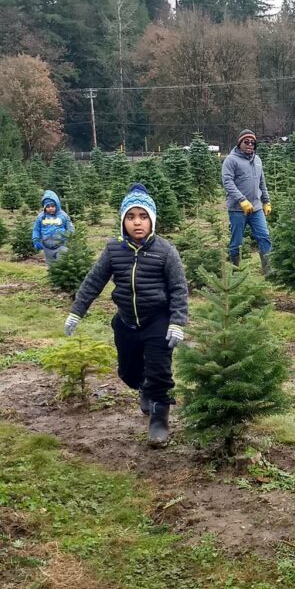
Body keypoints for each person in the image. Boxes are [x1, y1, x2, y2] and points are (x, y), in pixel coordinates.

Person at [64, 183, 189, 448]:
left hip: (158, 321)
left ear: (152, 220)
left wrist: (177, 322)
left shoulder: (165, 251)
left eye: (143, 216)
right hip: (125, 322)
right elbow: (93, 281)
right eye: (131, 217)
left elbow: (179, 288)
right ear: (123, 222)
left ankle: (159, 418)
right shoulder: (113, 250)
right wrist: (77, 311)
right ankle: (144, 387)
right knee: (128, 373)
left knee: (159, 372)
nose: (137, 223)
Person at [221, 129, 272, 274]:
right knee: (236, 242)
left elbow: (262, 182)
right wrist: (241, 200)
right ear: (240, 143)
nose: (250, 145)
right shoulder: (231, 160)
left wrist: (266, 201)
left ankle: (268, 272)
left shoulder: (257, 160)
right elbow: (228, 182)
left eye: (252, 143)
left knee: (264, 237)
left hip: (256, 208)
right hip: (237, 209)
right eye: (246, 142)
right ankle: (235, 273)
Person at [32, 190, 73, 266]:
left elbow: (70, 228)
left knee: (62, 264)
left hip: (61, 245)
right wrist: (36, 240)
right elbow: (36, 229)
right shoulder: (41, 217)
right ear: (44, 207)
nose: (50, 208)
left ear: (57, 205)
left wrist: (69, 239)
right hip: (47, 246)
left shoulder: (63, 216)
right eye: (48, 206)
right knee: (51, 266)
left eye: (52, 206)